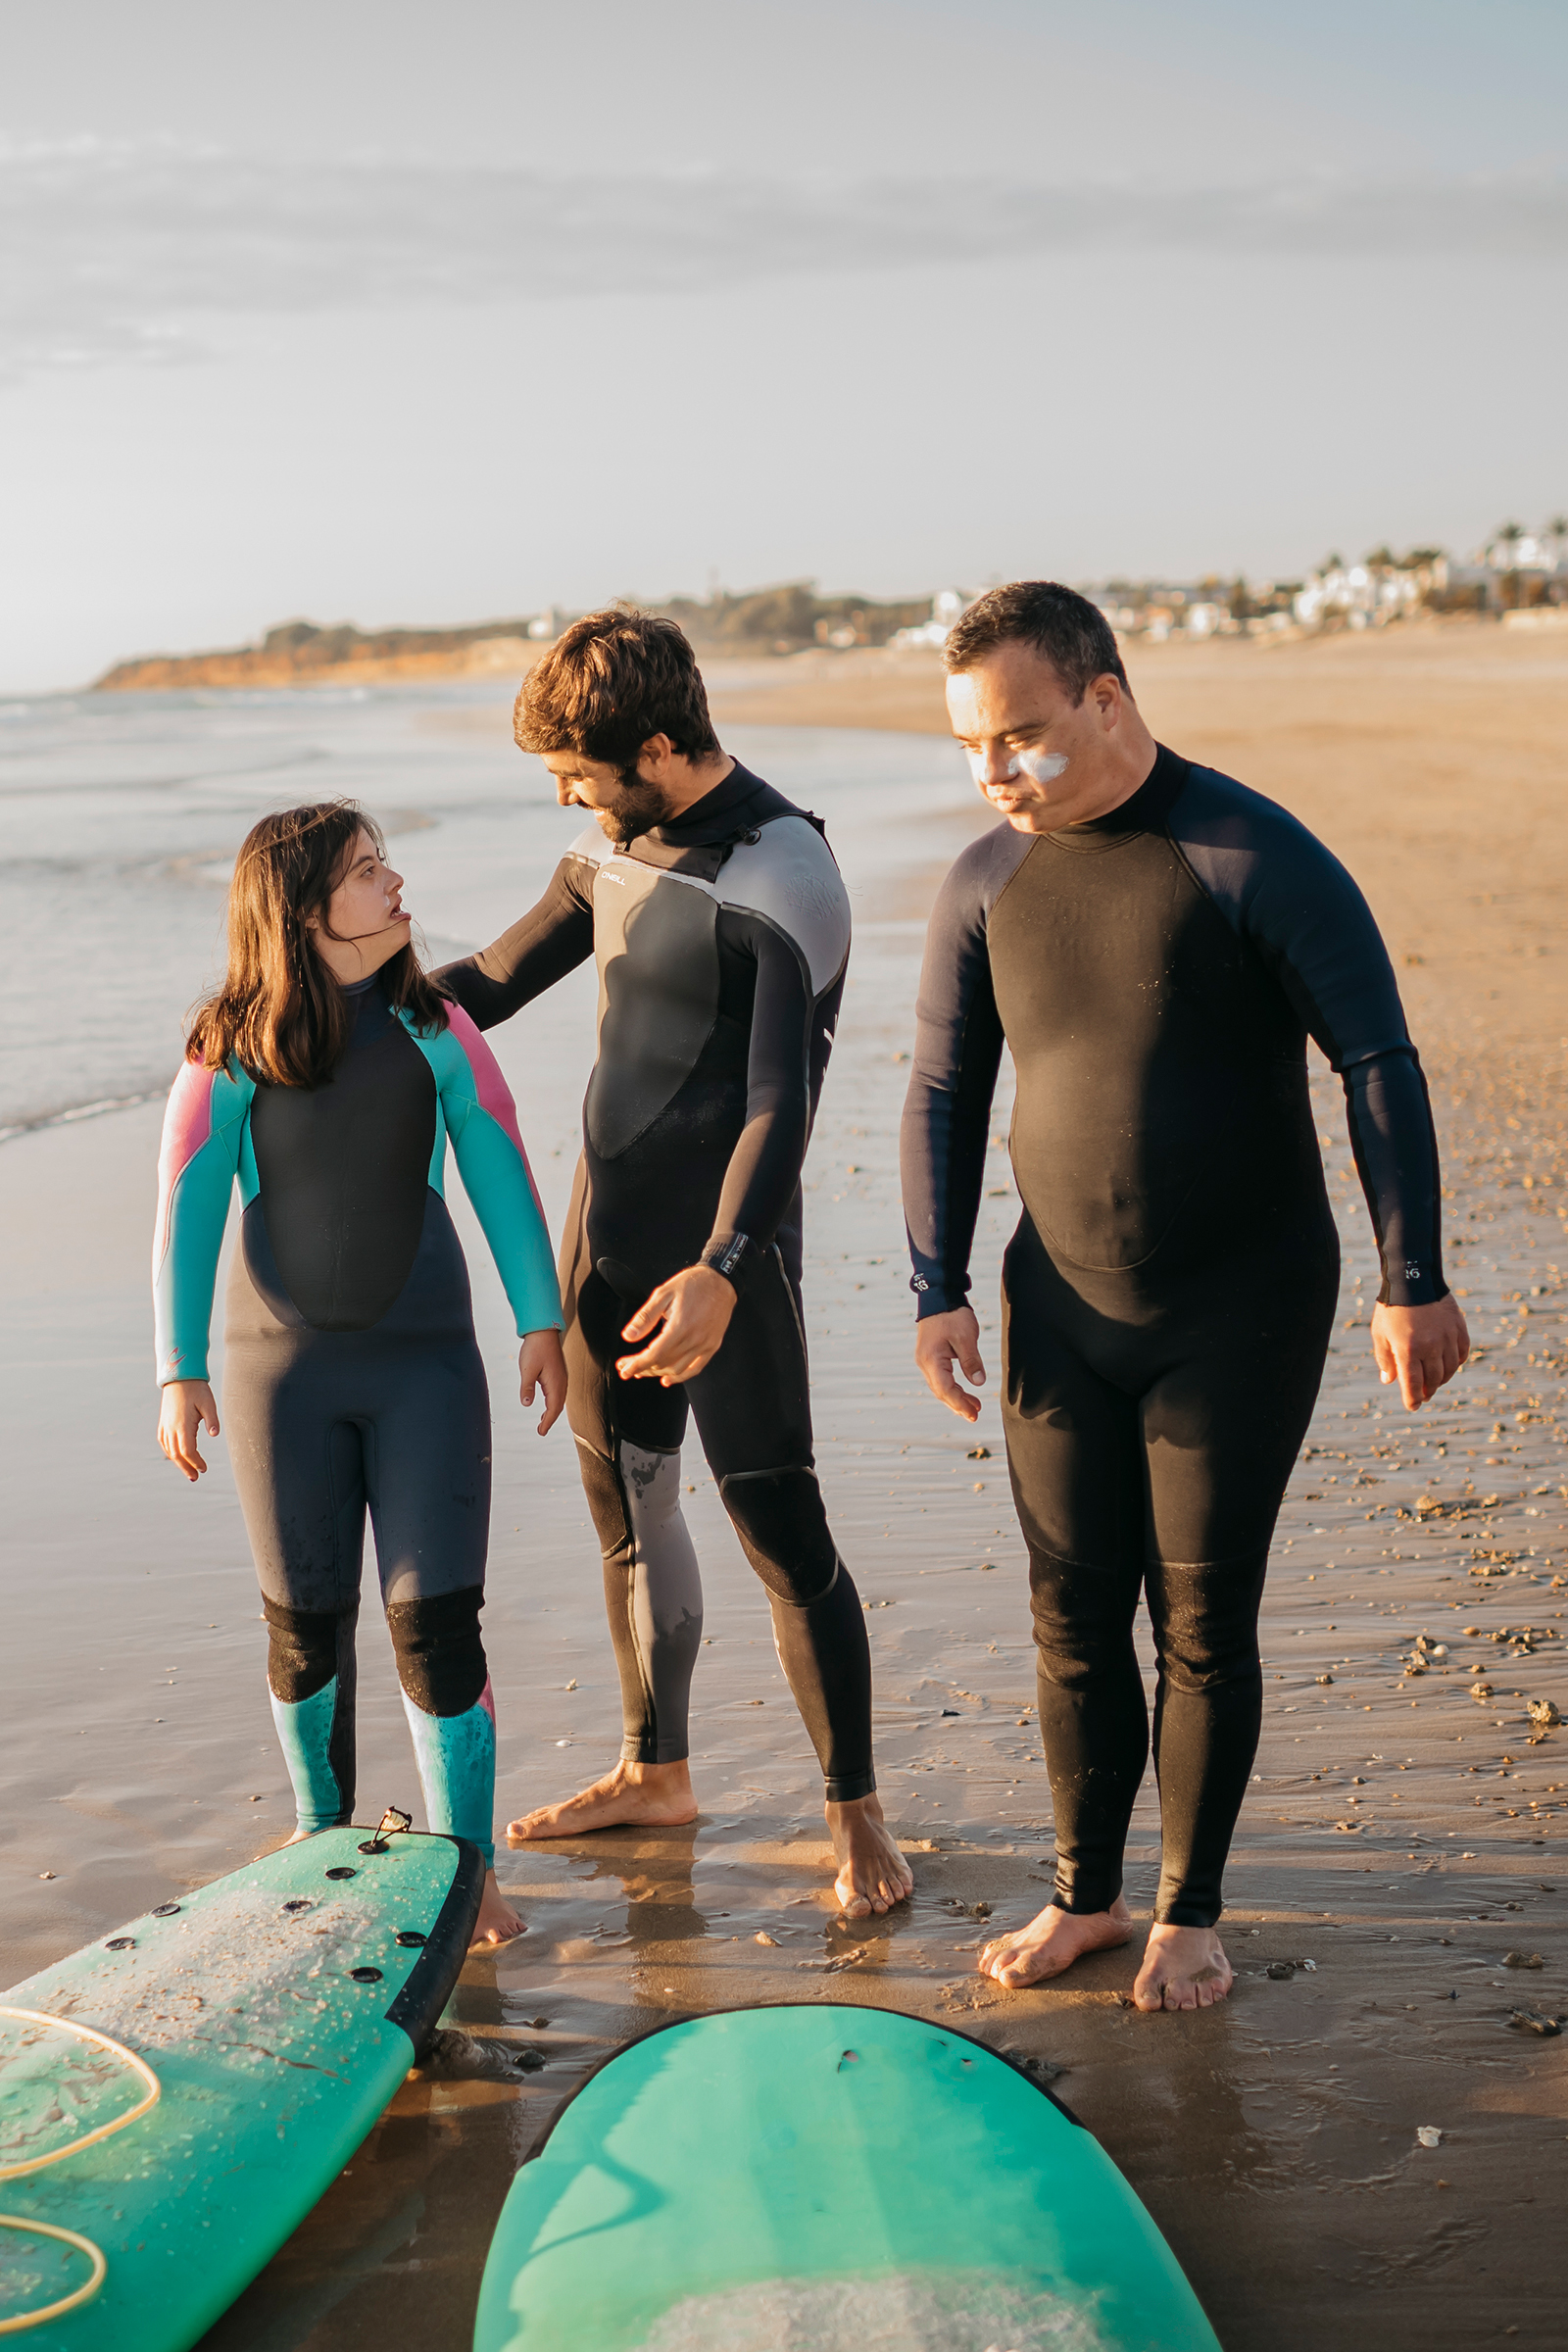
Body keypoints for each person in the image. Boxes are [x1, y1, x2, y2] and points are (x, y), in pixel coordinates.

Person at [901, 581, 1468, 2011]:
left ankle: (1188, 1914)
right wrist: (937, 1284)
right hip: (1063, 1308)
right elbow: (945, 1086)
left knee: (1205, 1620)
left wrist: (1416, 1279)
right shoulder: (983, 882)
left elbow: (1378, 1063)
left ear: (1106, 696)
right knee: (1071, 1614)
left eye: (1022, 736)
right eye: (974, 748)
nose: (998, 773)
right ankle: (1087, 1894)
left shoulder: (1247, 851)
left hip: (1243, 1305)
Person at [437, 608, 911, 1919]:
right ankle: (658, 1770)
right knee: (628, 1512)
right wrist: (328, 1011)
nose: (564, 793)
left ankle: (854, 1809)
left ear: (658, 743)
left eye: (578, 768)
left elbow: (779, 1102)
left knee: (779, 1527)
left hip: (727, 1253)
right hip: (612, 1233)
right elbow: (485, 982)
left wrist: (722, 1264)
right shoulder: (609, 848)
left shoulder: (783, 870)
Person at [153, 801, 566, 1949]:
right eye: (368, 872)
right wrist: (175, 1368)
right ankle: (320, 1831)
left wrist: (543, 1318)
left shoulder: (432, 1025)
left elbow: (496, 1155)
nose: (397, 886)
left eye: (389, 866)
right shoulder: (229, 1041)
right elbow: (187, 1202)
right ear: (302, 908)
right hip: (277, 1376)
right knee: (304, 1622)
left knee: (437, 1623)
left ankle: (467, 1870)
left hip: (424, 1366)